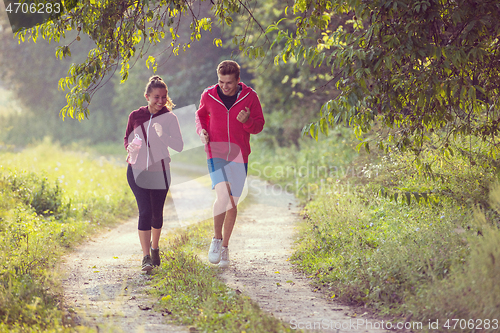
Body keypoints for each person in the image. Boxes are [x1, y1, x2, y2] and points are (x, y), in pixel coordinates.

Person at [195, 60, 265, 268]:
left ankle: (225, 247)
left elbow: (259, 126)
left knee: (232, 203)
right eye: (221, 82)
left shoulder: (250, 97)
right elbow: (200, 116)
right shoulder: (208, 95)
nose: (225, 87)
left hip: (239, 155)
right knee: (222, 196)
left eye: (229, 83)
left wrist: (247, 122)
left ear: (238, 80)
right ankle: (216, 240)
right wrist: (202, 132)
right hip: (215, 152)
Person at [124, 75, 184, 272]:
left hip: (161, 172)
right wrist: (130, 147)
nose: (160, 101)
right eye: (156, 97)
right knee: (145, 212)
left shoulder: (170, 118)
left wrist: (162, 135)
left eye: (164, 97)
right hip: (137, 170)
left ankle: (155, 247)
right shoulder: (135, 116)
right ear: (147, 96)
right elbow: (126, 138)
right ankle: (145, 257)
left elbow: (179, 146)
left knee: (157, 214)